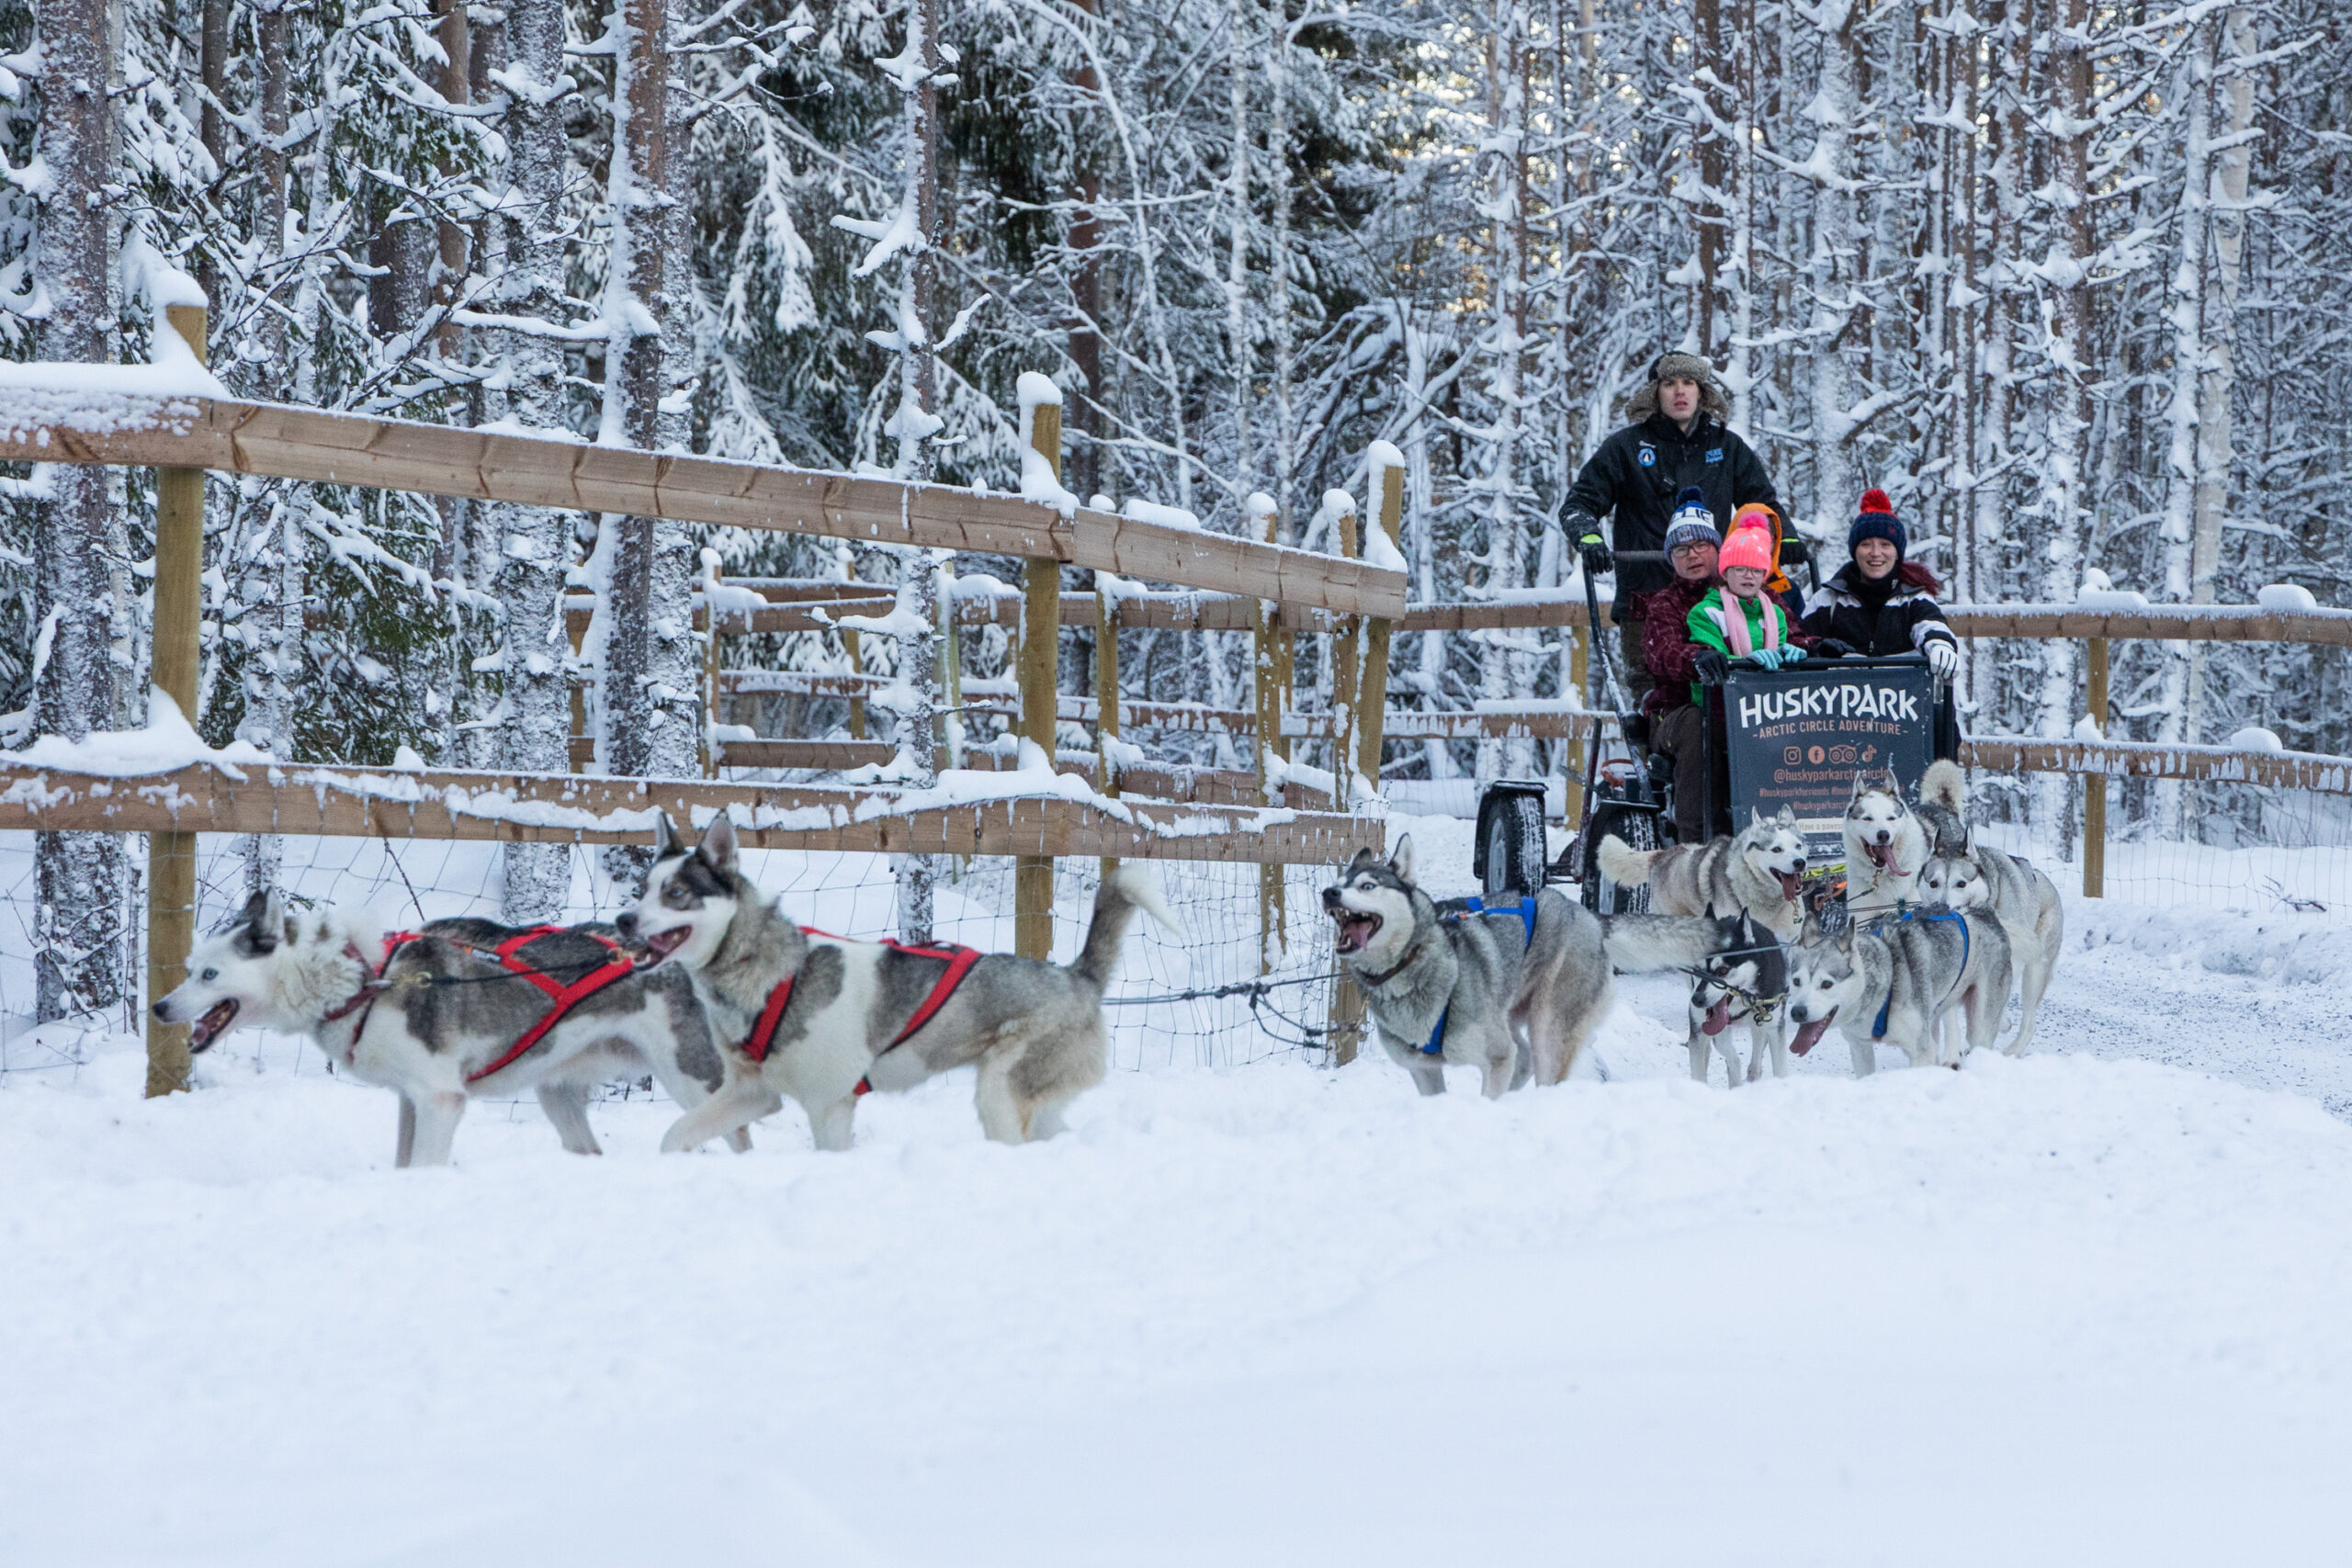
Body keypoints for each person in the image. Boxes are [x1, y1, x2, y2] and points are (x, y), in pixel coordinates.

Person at [1564, 354, 1781, 709]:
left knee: (1731, 694)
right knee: (1656, 699)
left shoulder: (1726, 448)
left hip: (1718, 597)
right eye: (1669, 384)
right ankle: (1659, 757)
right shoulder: (1626, 448)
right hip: (1645, 596)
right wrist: (1589, 538)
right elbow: (1579, 504)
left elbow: (1764, 506)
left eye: (1689, 383)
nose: (1680, 392)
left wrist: (1782, 541)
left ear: (1701, 392)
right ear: (1655, 393)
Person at [1801, 488, 1963, 759]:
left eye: (1885, 544)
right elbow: (1798, 641)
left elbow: (1931, 624)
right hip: (1841, 714)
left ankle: (1936, 797)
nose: (1876, 553)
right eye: (1866, 544)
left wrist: (1939, 646)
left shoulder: (1912, 597)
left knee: (1942, 719)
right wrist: (1818, 648)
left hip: (1900, 709)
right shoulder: (1828, 599)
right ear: (1855, 550)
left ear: (1897, 551)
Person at [1635, 491, 1724, 845]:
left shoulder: (1744, 590)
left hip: (1742, 708)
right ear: (1671, 559)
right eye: (1681, 550)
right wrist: (1696, 657)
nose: (1692, 555)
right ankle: (1699, 844)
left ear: (1717, 549)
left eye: (1701, 545)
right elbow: (1663, 652)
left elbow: (1786, 630)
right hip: (1674, 714)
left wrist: (1812, 646)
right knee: (1697, 724)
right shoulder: (1663, 605)